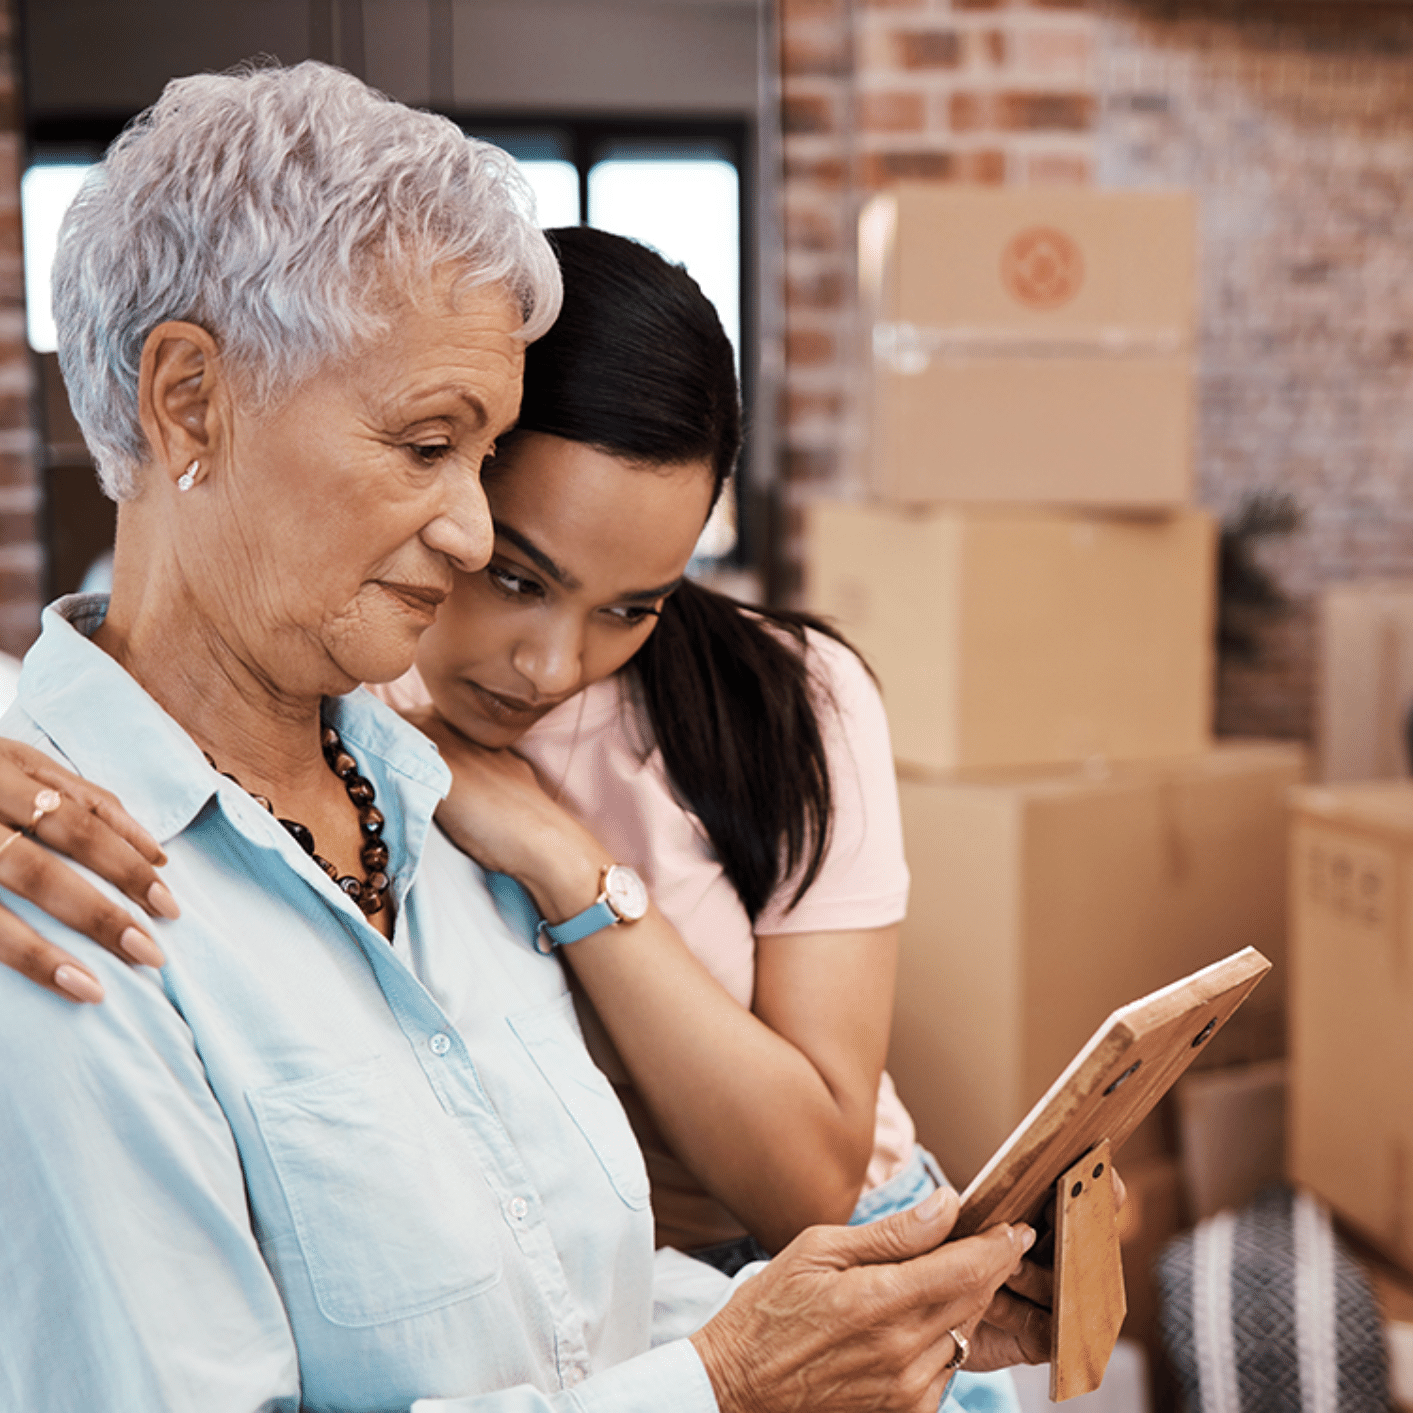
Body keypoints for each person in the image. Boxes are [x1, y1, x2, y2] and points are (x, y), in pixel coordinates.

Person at [0, 61, 1049, 1412]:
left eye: (481, 454)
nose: (473, 531)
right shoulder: (59, 901)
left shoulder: (421, 798)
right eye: (429, 444)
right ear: (190, 400)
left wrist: (890, 1326)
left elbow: (567, 1307)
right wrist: (726, 1386)